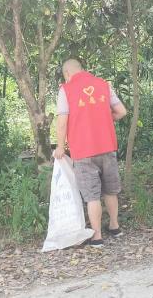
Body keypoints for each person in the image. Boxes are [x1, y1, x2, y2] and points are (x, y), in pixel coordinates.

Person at [54, 59, 127, 248]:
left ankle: (97, 237)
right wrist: (103, 119)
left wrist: (60, 146)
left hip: (83, 151)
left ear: (67, 73)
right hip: (107, 146)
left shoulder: (66, 89)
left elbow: (62, 121)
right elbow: (121, 111)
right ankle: (115, 226)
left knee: (92, 195)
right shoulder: (103, 85)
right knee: (110, 189)